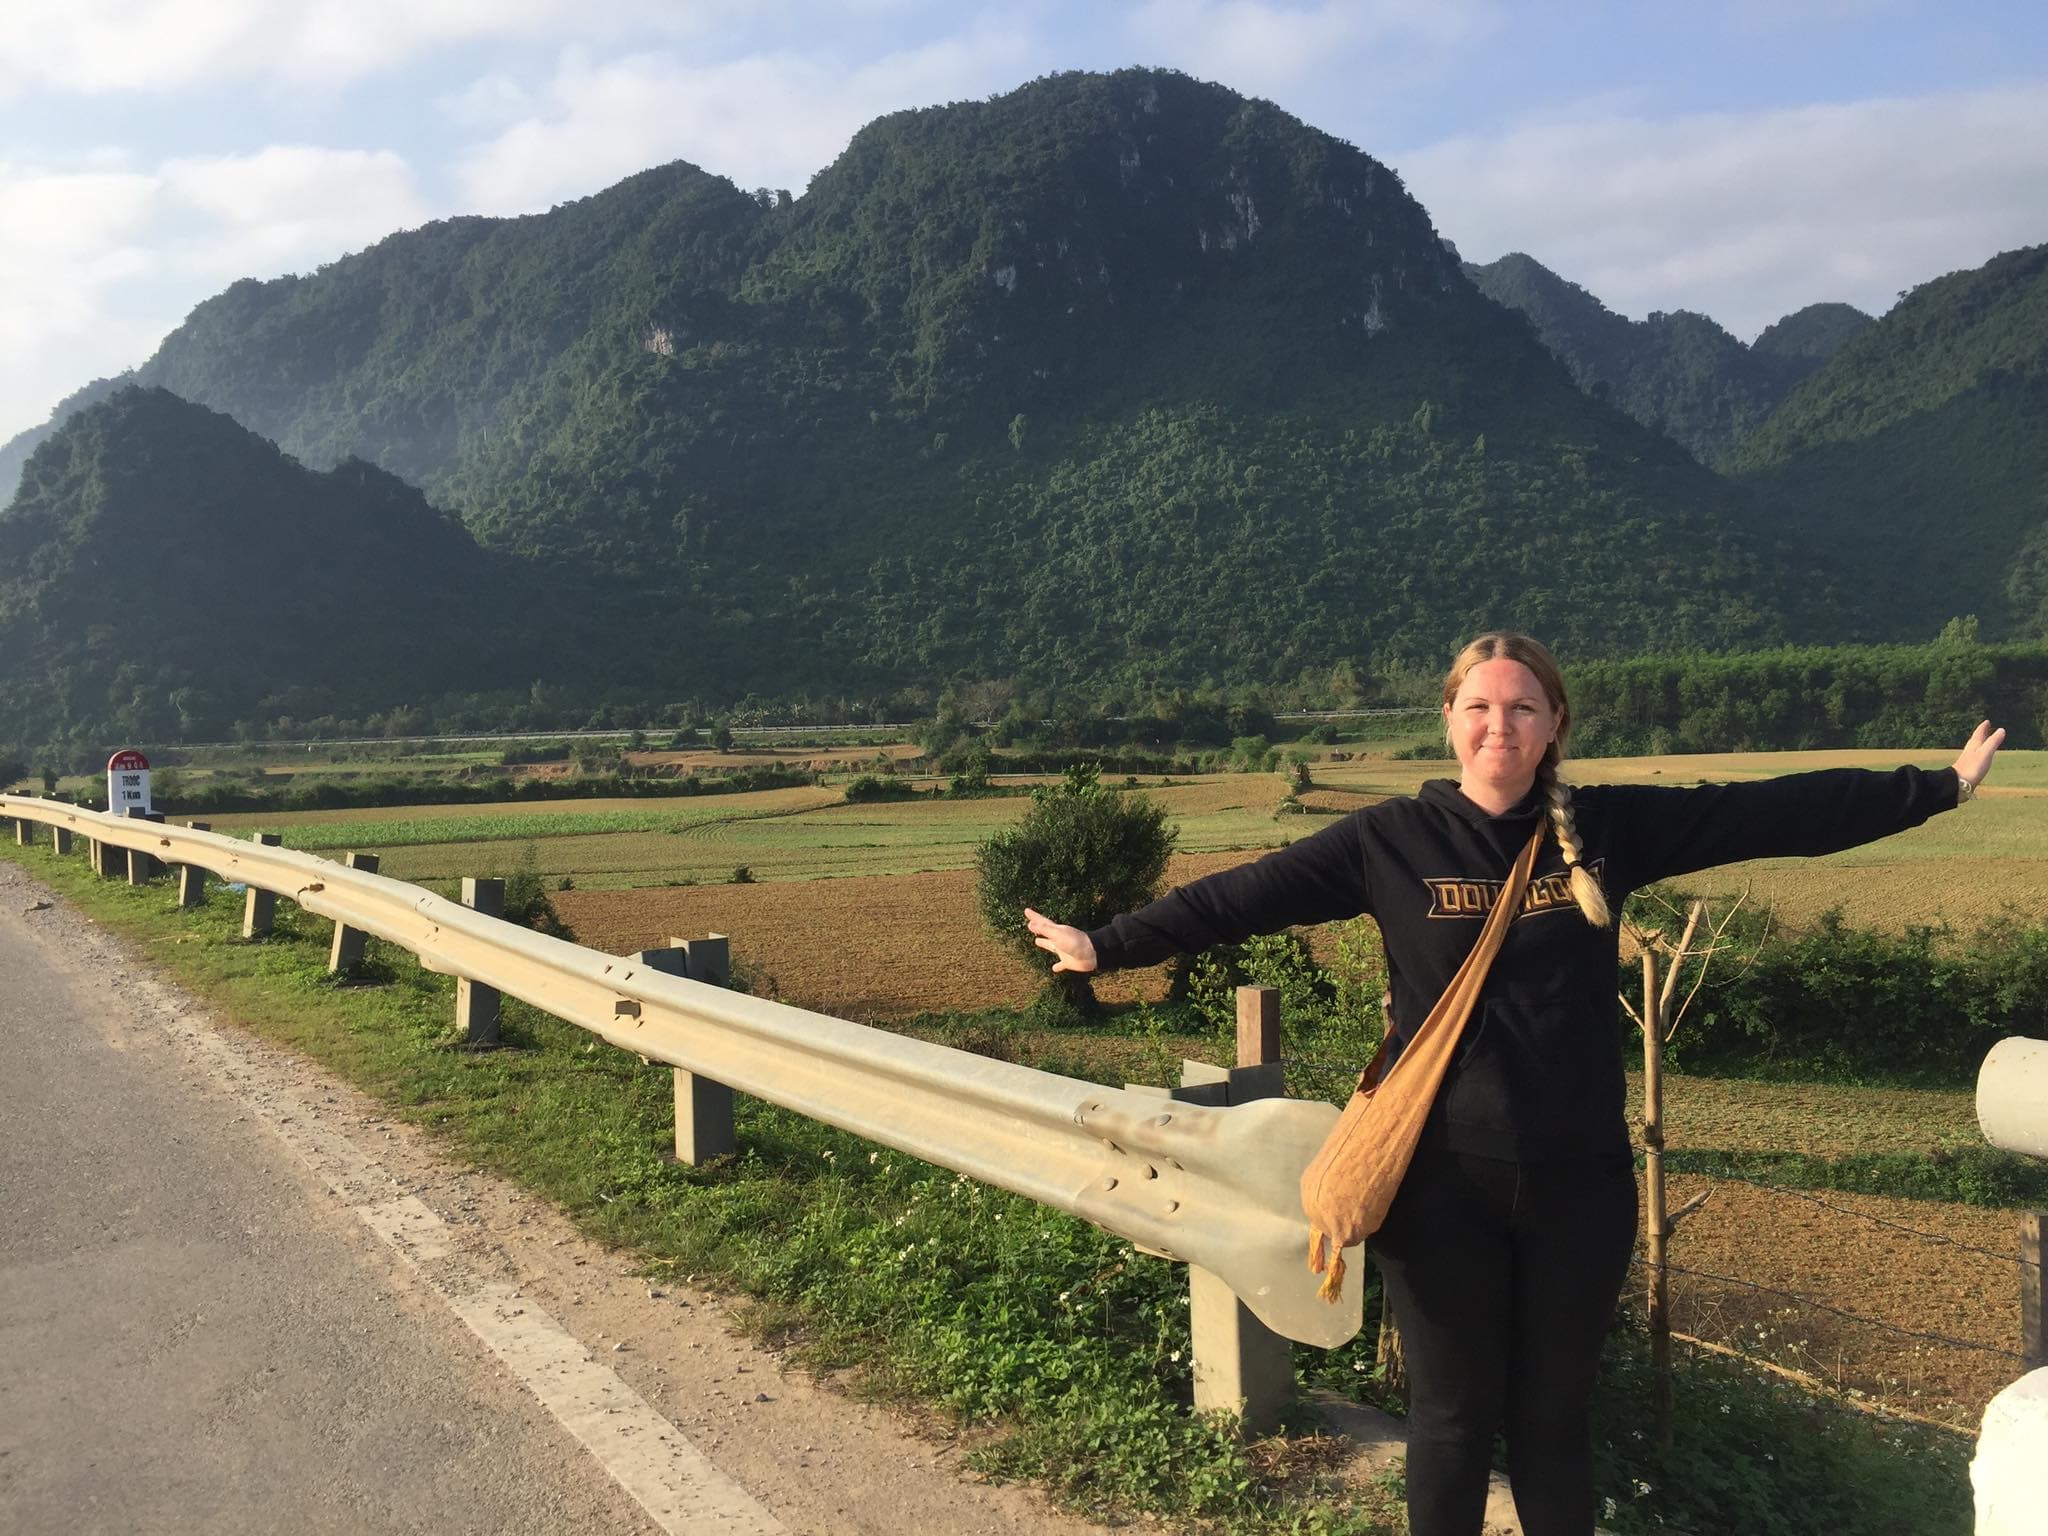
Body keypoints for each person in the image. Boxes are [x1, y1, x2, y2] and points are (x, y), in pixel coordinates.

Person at [1024, 632, 2005, 1536]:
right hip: (1439, 1181)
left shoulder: (1608, 827)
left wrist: (1934, 788)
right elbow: (1244, 894)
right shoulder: (1389, 842)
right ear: (1449, 721)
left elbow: (1767, 812)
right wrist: (1106, 945)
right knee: (1449, 1423)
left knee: (1551, 1422)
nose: (1501, 726)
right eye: (1481, 708)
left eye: (1522, 709)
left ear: (1553, 727)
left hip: (1580, 1183)